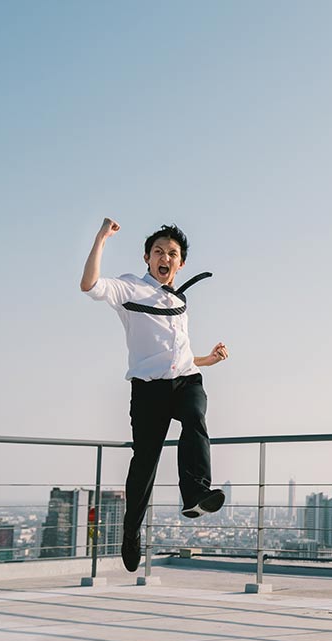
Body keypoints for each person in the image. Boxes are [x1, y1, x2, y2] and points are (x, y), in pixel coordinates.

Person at [81, 218, 229, 572]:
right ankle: (130, 533)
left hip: (186, 380)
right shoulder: (130, 289)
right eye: (159, 252)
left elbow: (175, 354)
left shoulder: (179, 301)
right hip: (148, 391)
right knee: (144, 464)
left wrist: (206, 360)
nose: (165, 257)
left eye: (172, 254)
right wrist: (102, 238)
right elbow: (88, 285)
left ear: (180, 264)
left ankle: (195, 494)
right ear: (147, 258)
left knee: (195, 417)